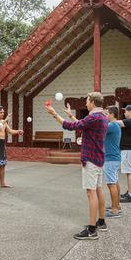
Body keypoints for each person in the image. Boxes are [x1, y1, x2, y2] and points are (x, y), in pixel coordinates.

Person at [46, 92, 108, 240]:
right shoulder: (102, 116)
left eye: (87, 101)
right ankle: (101, 222)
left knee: (91, 192)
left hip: (91, 159)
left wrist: (55, 114)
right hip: (98, 158)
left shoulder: (93, 117)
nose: (86, 103)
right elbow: (83, 125)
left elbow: (71, 126)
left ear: (92, 102)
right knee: (98, 190)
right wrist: (70, 114)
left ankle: (92, 230)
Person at [0, 106, 23, 190]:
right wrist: (5, 120)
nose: (2, 114)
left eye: (3, 112)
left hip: (2, 143)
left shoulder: (3, 122)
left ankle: (2, 183)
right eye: (1, 112)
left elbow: (10, 131)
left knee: (3, 163)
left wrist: (18, 131)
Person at [117, 105, 131, 203]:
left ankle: (130, 195)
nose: (124, 113)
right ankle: (130, 192)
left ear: (130, 111)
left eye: (125, 111)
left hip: (129, 150)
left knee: (130, 172)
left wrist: (106, 117)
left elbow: (116, 123)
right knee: (129, 171)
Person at [103, 106, 122, 218]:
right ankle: (117, 206)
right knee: (115, 182)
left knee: (111, 184)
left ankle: (114, 210)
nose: (105, 115)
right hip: (114, 158)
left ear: (112, 114)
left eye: (106, 113)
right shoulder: (115, 125)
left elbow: (98, 129)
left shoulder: (111, 125)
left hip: (110, 158)